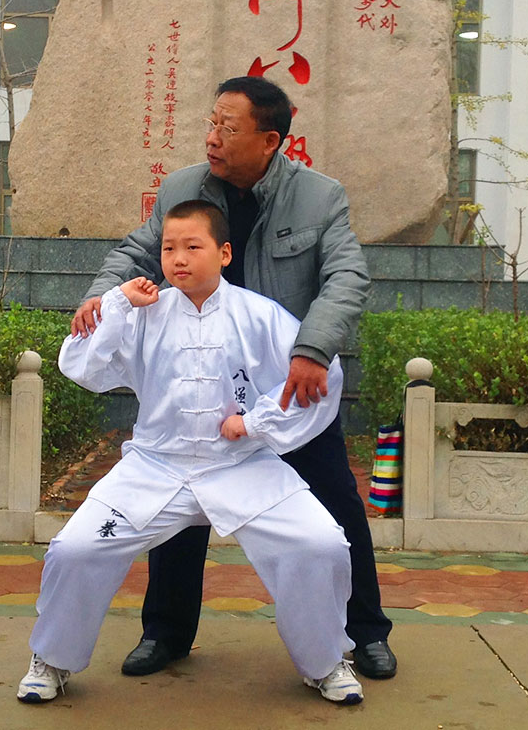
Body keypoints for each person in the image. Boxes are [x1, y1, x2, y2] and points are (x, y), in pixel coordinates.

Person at [72, 76, 397, 681]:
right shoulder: (183, 188)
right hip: (197, 373)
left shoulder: (319, 197)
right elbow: (136, 252)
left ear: (270, 140)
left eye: (229, 128)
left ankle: (364, 632)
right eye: (211, 123)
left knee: (334, 508)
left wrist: (312, 349)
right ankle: (166, 632)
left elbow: (347, 277)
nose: (213, 138)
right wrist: (102, 296)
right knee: (175, 501)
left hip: (285, 384)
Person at [18, 201, 364, 706]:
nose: (178, 259)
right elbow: (82, 366)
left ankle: (326, 661)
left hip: (241, 465)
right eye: (168, 248)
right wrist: (117, 303)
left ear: (224, 253)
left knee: (321, 544)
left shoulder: (259, 315)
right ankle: (52, 658)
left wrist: (256, 423)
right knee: (76, 549)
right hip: (155, 465)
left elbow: (321, 375)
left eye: (192, 247)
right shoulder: (145, 312)